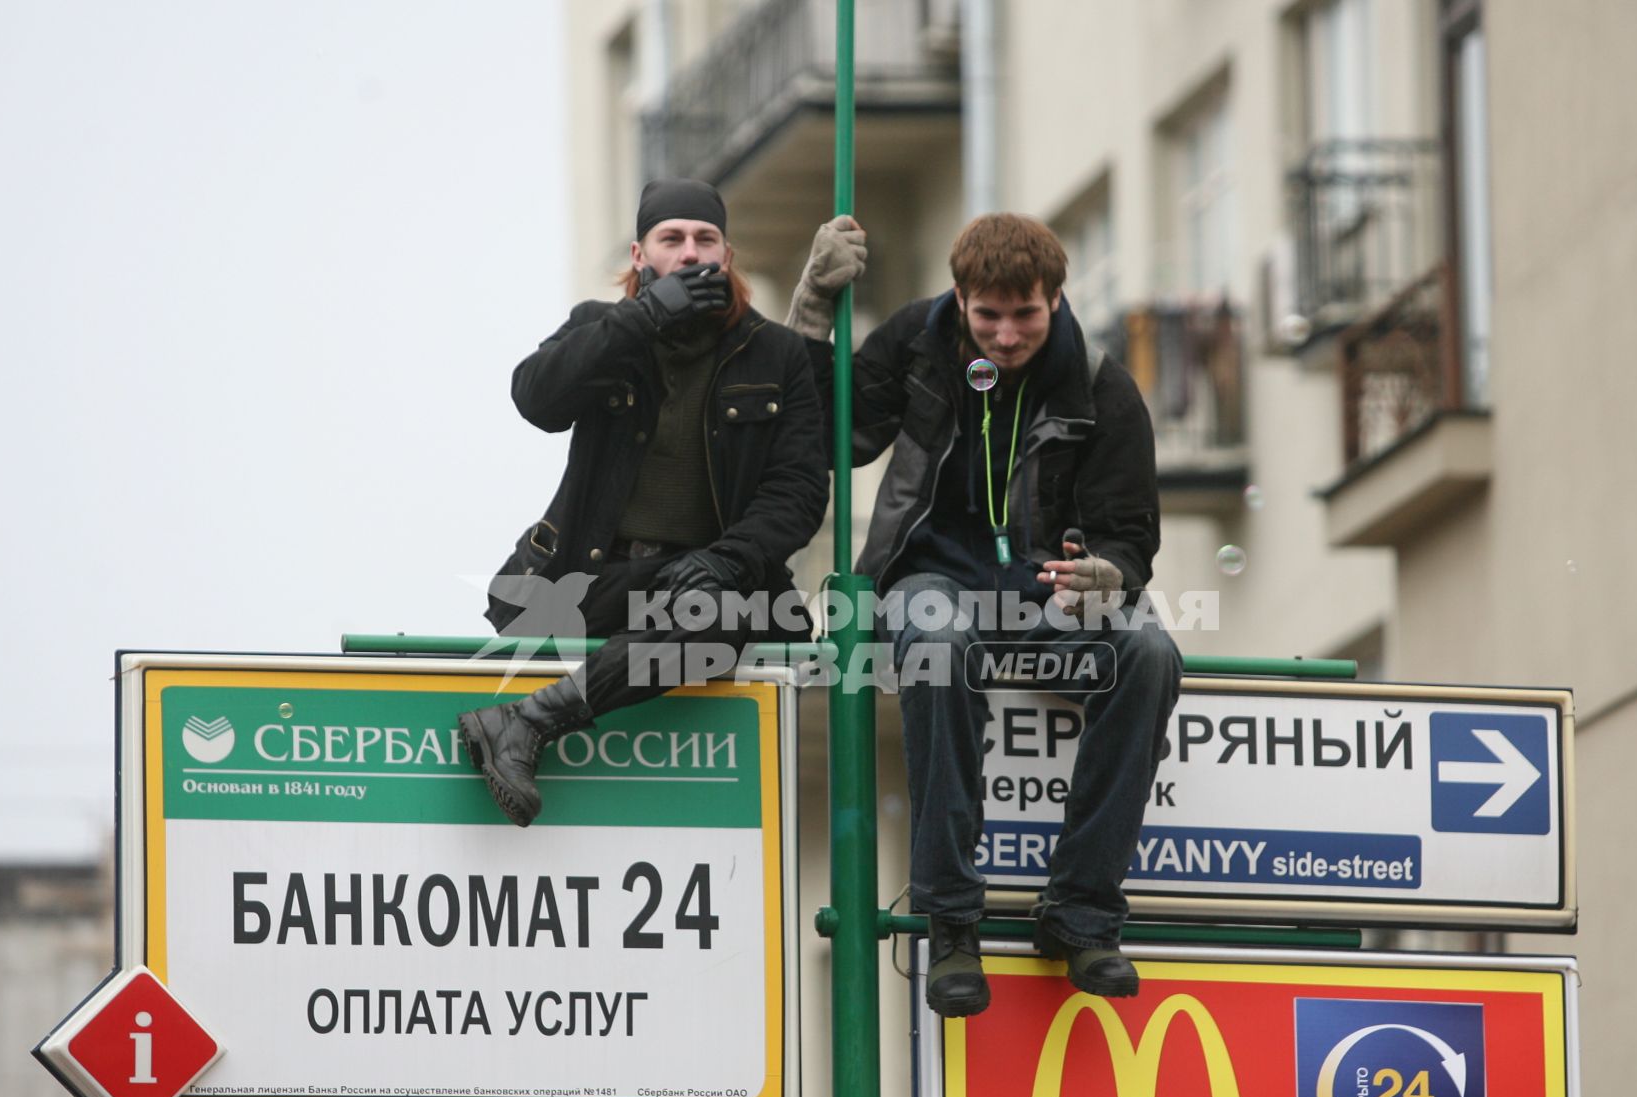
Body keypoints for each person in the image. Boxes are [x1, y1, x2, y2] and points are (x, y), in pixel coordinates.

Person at [788, 212, 1182, 1016]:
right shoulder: (913, 342)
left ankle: (1082, 913)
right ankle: (952, 920)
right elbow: (827, 433)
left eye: (1026, 315)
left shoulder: (1101, 382)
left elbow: (1132, 536)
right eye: (988, 316)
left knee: (1147, 651)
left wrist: (1106, 574)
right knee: (939, 639)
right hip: (928, 576)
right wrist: (812, 307)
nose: (1006, 337)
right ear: (959, 299)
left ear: (1057, 299)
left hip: (1050, 595)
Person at [461, 179, 828, 827]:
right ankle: (521, 723)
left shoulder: (776, 352)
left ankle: (528, 722)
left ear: (727, 253)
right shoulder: (600, 327)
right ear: (640, 255)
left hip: (703, 586)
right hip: (595, 577)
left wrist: (730, 559)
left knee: (725, 614)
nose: (690, 253)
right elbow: (536, 399)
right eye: (672, 239)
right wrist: (643, 318)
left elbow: (798, 489)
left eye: (705, 239)